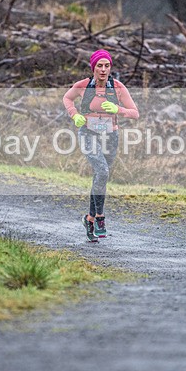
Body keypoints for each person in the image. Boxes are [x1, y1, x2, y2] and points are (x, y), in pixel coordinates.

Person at [62, 49, 139, 242]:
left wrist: (118, 109)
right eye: (99, 66)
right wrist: (74, 115)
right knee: (103, 172)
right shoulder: (83, 85)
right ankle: (100, 218)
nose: (103, 69)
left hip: (110, 136)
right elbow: (67, 98)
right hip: (88, 133)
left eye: (107, 66)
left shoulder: (117, 87)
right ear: (93, 68)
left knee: (100, 176)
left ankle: (89, 219)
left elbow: (135, 113)